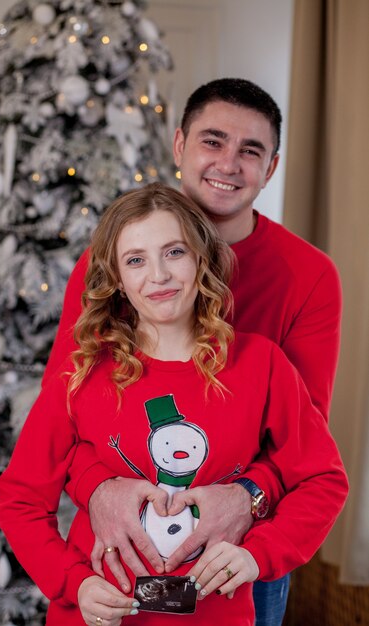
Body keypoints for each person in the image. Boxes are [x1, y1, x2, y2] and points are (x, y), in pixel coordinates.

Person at [41, 79, 343, 625]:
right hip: (127, 545)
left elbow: (307, 440)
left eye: (251, 150)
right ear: (179, 145)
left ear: (270, 168)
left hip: (242, 555)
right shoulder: (113, 262)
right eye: (213, 140)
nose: (228, 162)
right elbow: (64, 407)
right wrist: (98, 487)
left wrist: (246, 497)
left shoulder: (311, 277)